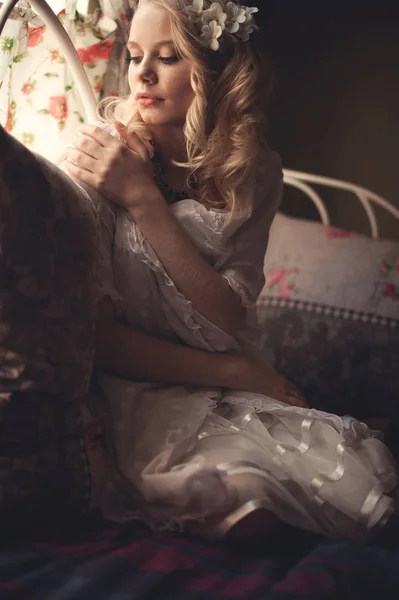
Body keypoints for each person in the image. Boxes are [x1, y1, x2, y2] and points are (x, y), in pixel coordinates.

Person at [63, 0, 398, 541]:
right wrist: (241, 373)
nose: (141, 74)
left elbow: (223, 317)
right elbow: (103, 344)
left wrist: (146, 201)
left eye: (167, 57)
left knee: (357, 473)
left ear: (214, 75)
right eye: (133, 55)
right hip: (131, 394)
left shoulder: (255, 170)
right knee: (242, 498)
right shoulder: (103, 158)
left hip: (224, 376)